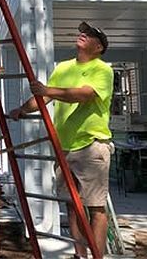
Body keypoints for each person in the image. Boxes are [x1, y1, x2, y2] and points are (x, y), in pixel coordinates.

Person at [10, 21, 114, 259]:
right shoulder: (64, 68)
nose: (82, 35)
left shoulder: (103, 70)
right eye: (82, 32)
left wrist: (47, 91)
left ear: (99, 47)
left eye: (89, 34)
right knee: (72, 206)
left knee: (95, 207)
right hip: (64, 148)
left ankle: (96, 256)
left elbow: (84, 95)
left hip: (91, 146)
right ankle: (80, 255)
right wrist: (22, 110)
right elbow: (42, 98)